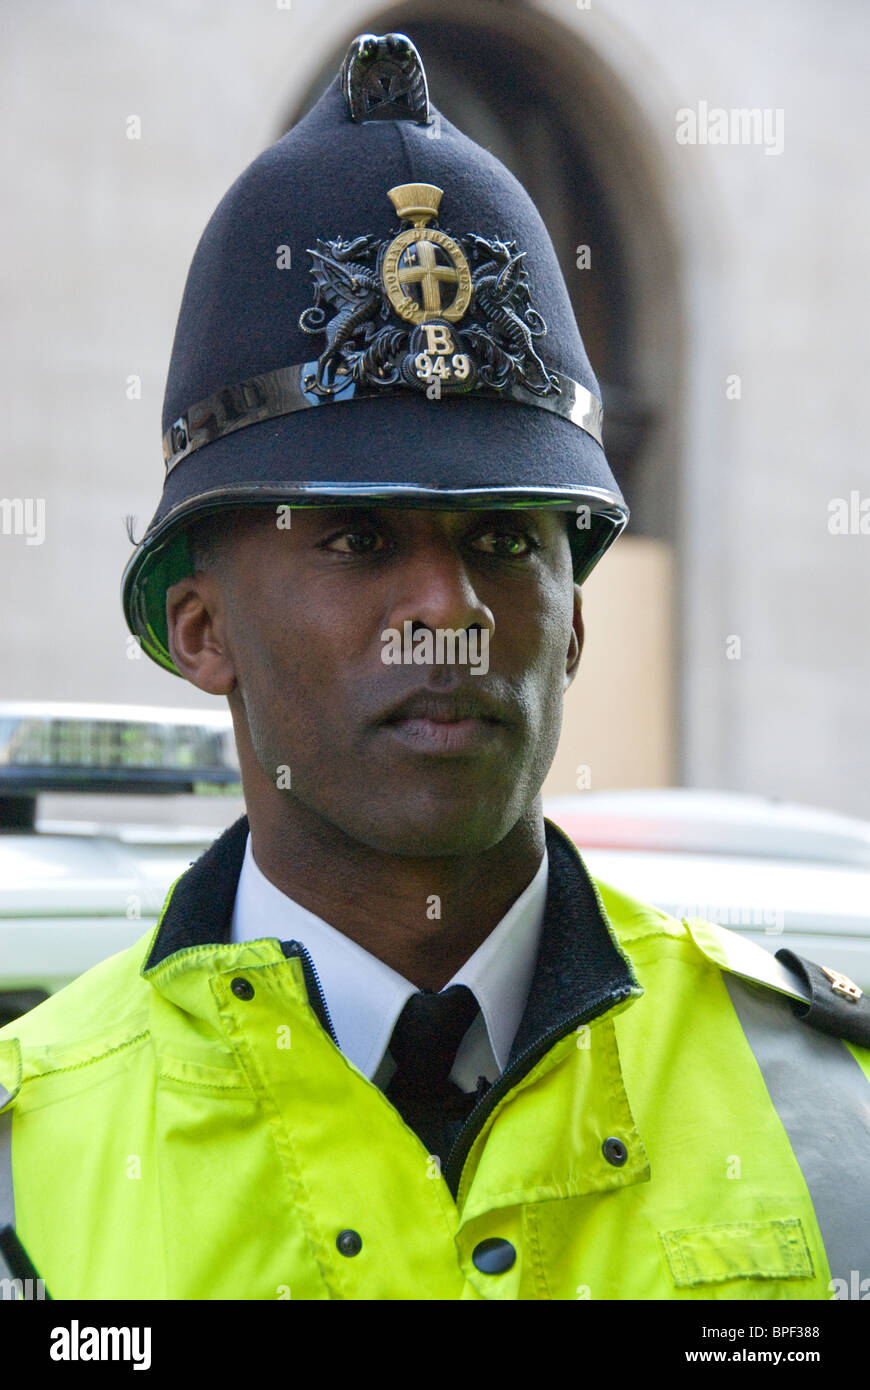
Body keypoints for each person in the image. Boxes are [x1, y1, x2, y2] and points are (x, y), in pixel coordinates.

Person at [1, 32, 869, 1301]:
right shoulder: (32, 1164)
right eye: (356, 538)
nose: (447, 609)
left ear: (574, 622)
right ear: (201, 629)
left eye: (506, 539)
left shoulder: (829, 1106)